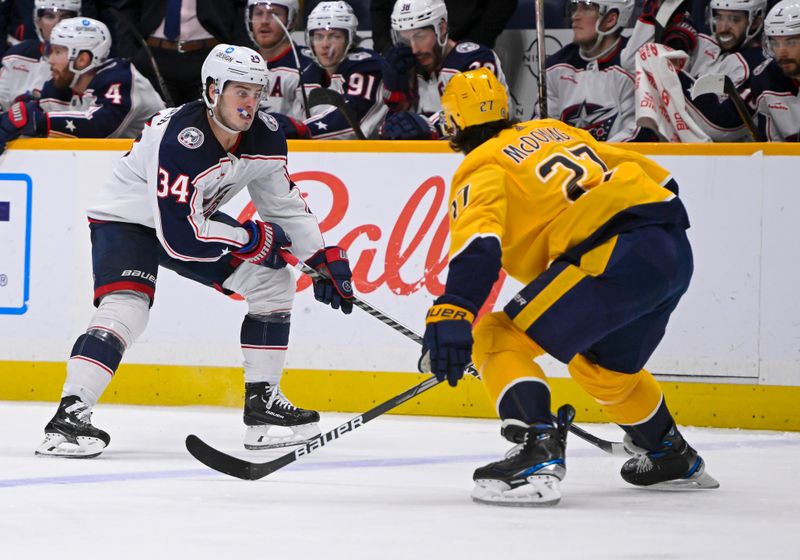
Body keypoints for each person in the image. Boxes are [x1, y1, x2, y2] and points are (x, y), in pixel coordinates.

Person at [35, 43, 354, 458]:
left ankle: (262, 411)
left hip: (191, 220)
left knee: (274, 285)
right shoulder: (179, 138)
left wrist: (320, 260)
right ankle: (68, 418)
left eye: (257, 92)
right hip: (128, 220)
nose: (250, 103)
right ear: (212, 89)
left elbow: (283, 205)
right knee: (127, 307)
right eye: (240, 91)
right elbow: (180, 239)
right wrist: (251, 240)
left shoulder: (267, 133)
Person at [420, 67, 718, 506]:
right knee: (602, 368)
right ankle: (668, 452)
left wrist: (455, 309)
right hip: (670, 246)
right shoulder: (554, 129)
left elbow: (480, 246)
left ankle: (536, 447)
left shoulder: (480, 164)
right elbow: (660, 178)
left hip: (609, 257)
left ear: (452, 125)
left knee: (497, 336)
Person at [0, 17, 164, 151]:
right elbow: (32, 116)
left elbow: (100, 126)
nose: (50, 60)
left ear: (82, 59)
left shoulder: (120, 77)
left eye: (57, 52)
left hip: (159, 170)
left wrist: (38, 120)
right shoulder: (59, 86)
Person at [378, 0, 510, 141]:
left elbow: (484, 123)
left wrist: (428, 126)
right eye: (405, 39)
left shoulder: (474, 59)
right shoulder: (405, 65)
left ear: (441, 28)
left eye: (420, 36)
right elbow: (394, 129)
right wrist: (393, 94)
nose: (414, 48)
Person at [115, 1, 250, 107]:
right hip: (153, 56)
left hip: (209, 55)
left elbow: (242, 8)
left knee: (205, 125)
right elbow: (125, 8)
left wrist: (239, 54)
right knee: (151, 125)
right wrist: (130, 52)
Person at [285, 1, 387, 139]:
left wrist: (300, 129)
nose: (325, 44)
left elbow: (349, 123)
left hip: (374, 157)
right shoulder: (309, 74)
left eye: (334, 36)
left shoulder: (367, 67)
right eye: (318, 37)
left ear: (349, 38)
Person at [676, 0, 768, 140]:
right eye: (719, 17)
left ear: (755, 22)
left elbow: (722, 126)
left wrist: (672, 73)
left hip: (731, 159)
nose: (724, 28)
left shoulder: (758, 68)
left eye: (735, 19)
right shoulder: (703, 44)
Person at [0, 0, 79, 111]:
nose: (58, 24)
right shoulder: (17, 55)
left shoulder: (85, 63)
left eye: (65, 17)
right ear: (38, 21)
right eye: (49, 16)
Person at [246, 0, 312, 121]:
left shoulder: (309, 65)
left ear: (291, 20)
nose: (264, 21)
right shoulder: (240, 63)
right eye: (258, 13)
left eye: (274, 13)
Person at [747, 0, 800, 140]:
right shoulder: (766, 77)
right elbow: (772, 151)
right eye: (774, 42)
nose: (781, 53)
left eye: (791, 42)